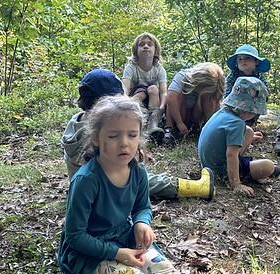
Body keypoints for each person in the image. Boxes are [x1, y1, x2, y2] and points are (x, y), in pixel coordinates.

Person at [57, 95, 263, 274]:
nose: (124, 143)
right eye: (114, 135)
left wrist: (142, 222)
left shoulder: (138, 172)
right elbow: (75, 237)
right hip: (88, 254)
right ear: (96, 138)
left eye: (132, 135)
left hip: (123, 237)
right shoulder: (86, 180)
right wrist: (119, 253)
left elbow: (142, 206)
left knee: (161, 266)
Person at [62, 69, 214, 200]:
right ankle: (197, 188)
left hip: (84, 185)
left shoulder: (75, 121)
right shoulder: (99, 130)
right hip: (103, 188)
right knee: (145, 180)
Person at [198, 77, 280, 197]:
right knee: (269, 166)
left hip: (207, 163)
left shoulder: (222, 113)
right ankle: (249, 173)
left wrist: (250, 138)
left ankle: (253, 169)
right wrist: (236, 184)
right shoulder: (237, 124)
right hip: (220, 169)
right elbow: (231, 155)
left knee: (249, 131)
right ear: (249, 110)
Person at [164, 62, 225, 146]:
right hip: (179, 113)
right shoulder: (183, 76)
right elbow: (170, 98)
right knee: (175, 95)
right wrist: (179, 123)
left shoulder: (211, 88)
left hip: (195, 115)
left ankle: (207, 129)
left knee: (211, 98)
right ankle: (169, 129)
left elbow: (217, 105)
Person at [122, 33, 167, 140]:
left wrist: (162, 107)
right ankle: (137, 121)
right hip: (137, 99)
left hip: (153, 100)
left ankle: (153, 124)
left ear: (155, 50)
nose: (145, 46)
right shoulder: (131, 67)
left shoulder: (159, 69)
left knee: (153, 89)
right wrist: (124, 103)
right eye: (141, 44)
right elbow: (125, 88)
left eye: (149, 44)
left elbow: (163, 91)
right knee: (142, 92)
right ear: (136, 50)